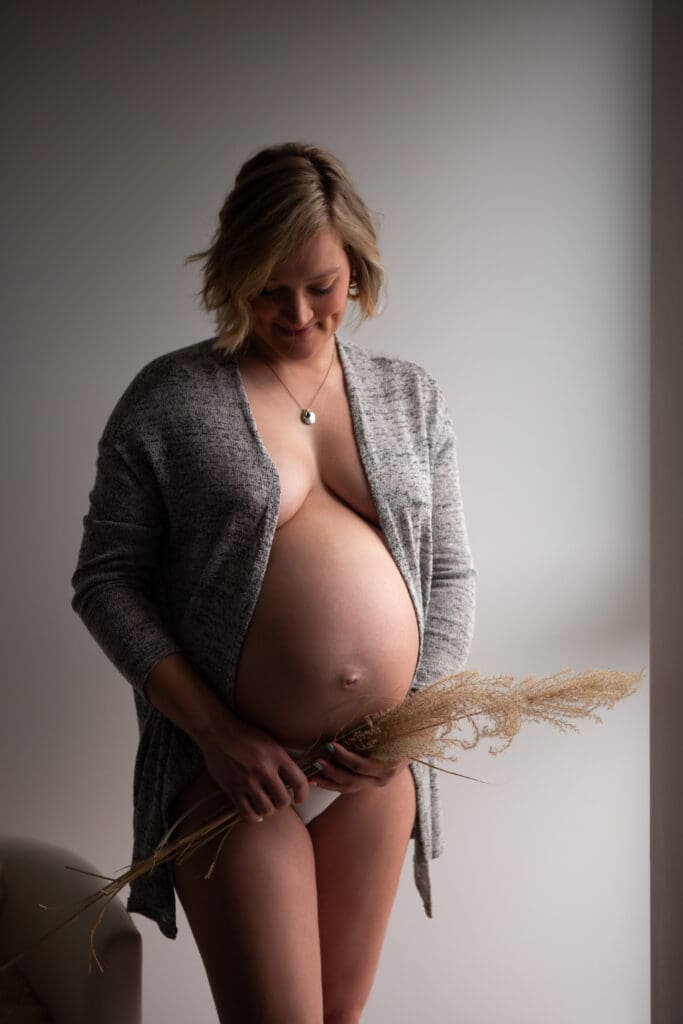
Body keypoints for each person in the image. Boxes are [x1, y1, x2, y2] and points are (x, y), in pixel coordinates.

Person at [71, 141, 476, 1023]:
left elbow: (448, 574)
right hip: (234, 776)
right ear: (230, 276)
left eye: (321, 285)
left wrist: (411, 718)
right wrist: (215, 733)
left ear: (357, 271)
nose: (296, 311)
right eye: (267, 287)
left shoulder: (411, 397)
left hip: (373, 775)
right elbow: (106, 581)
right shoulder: (169, 398)